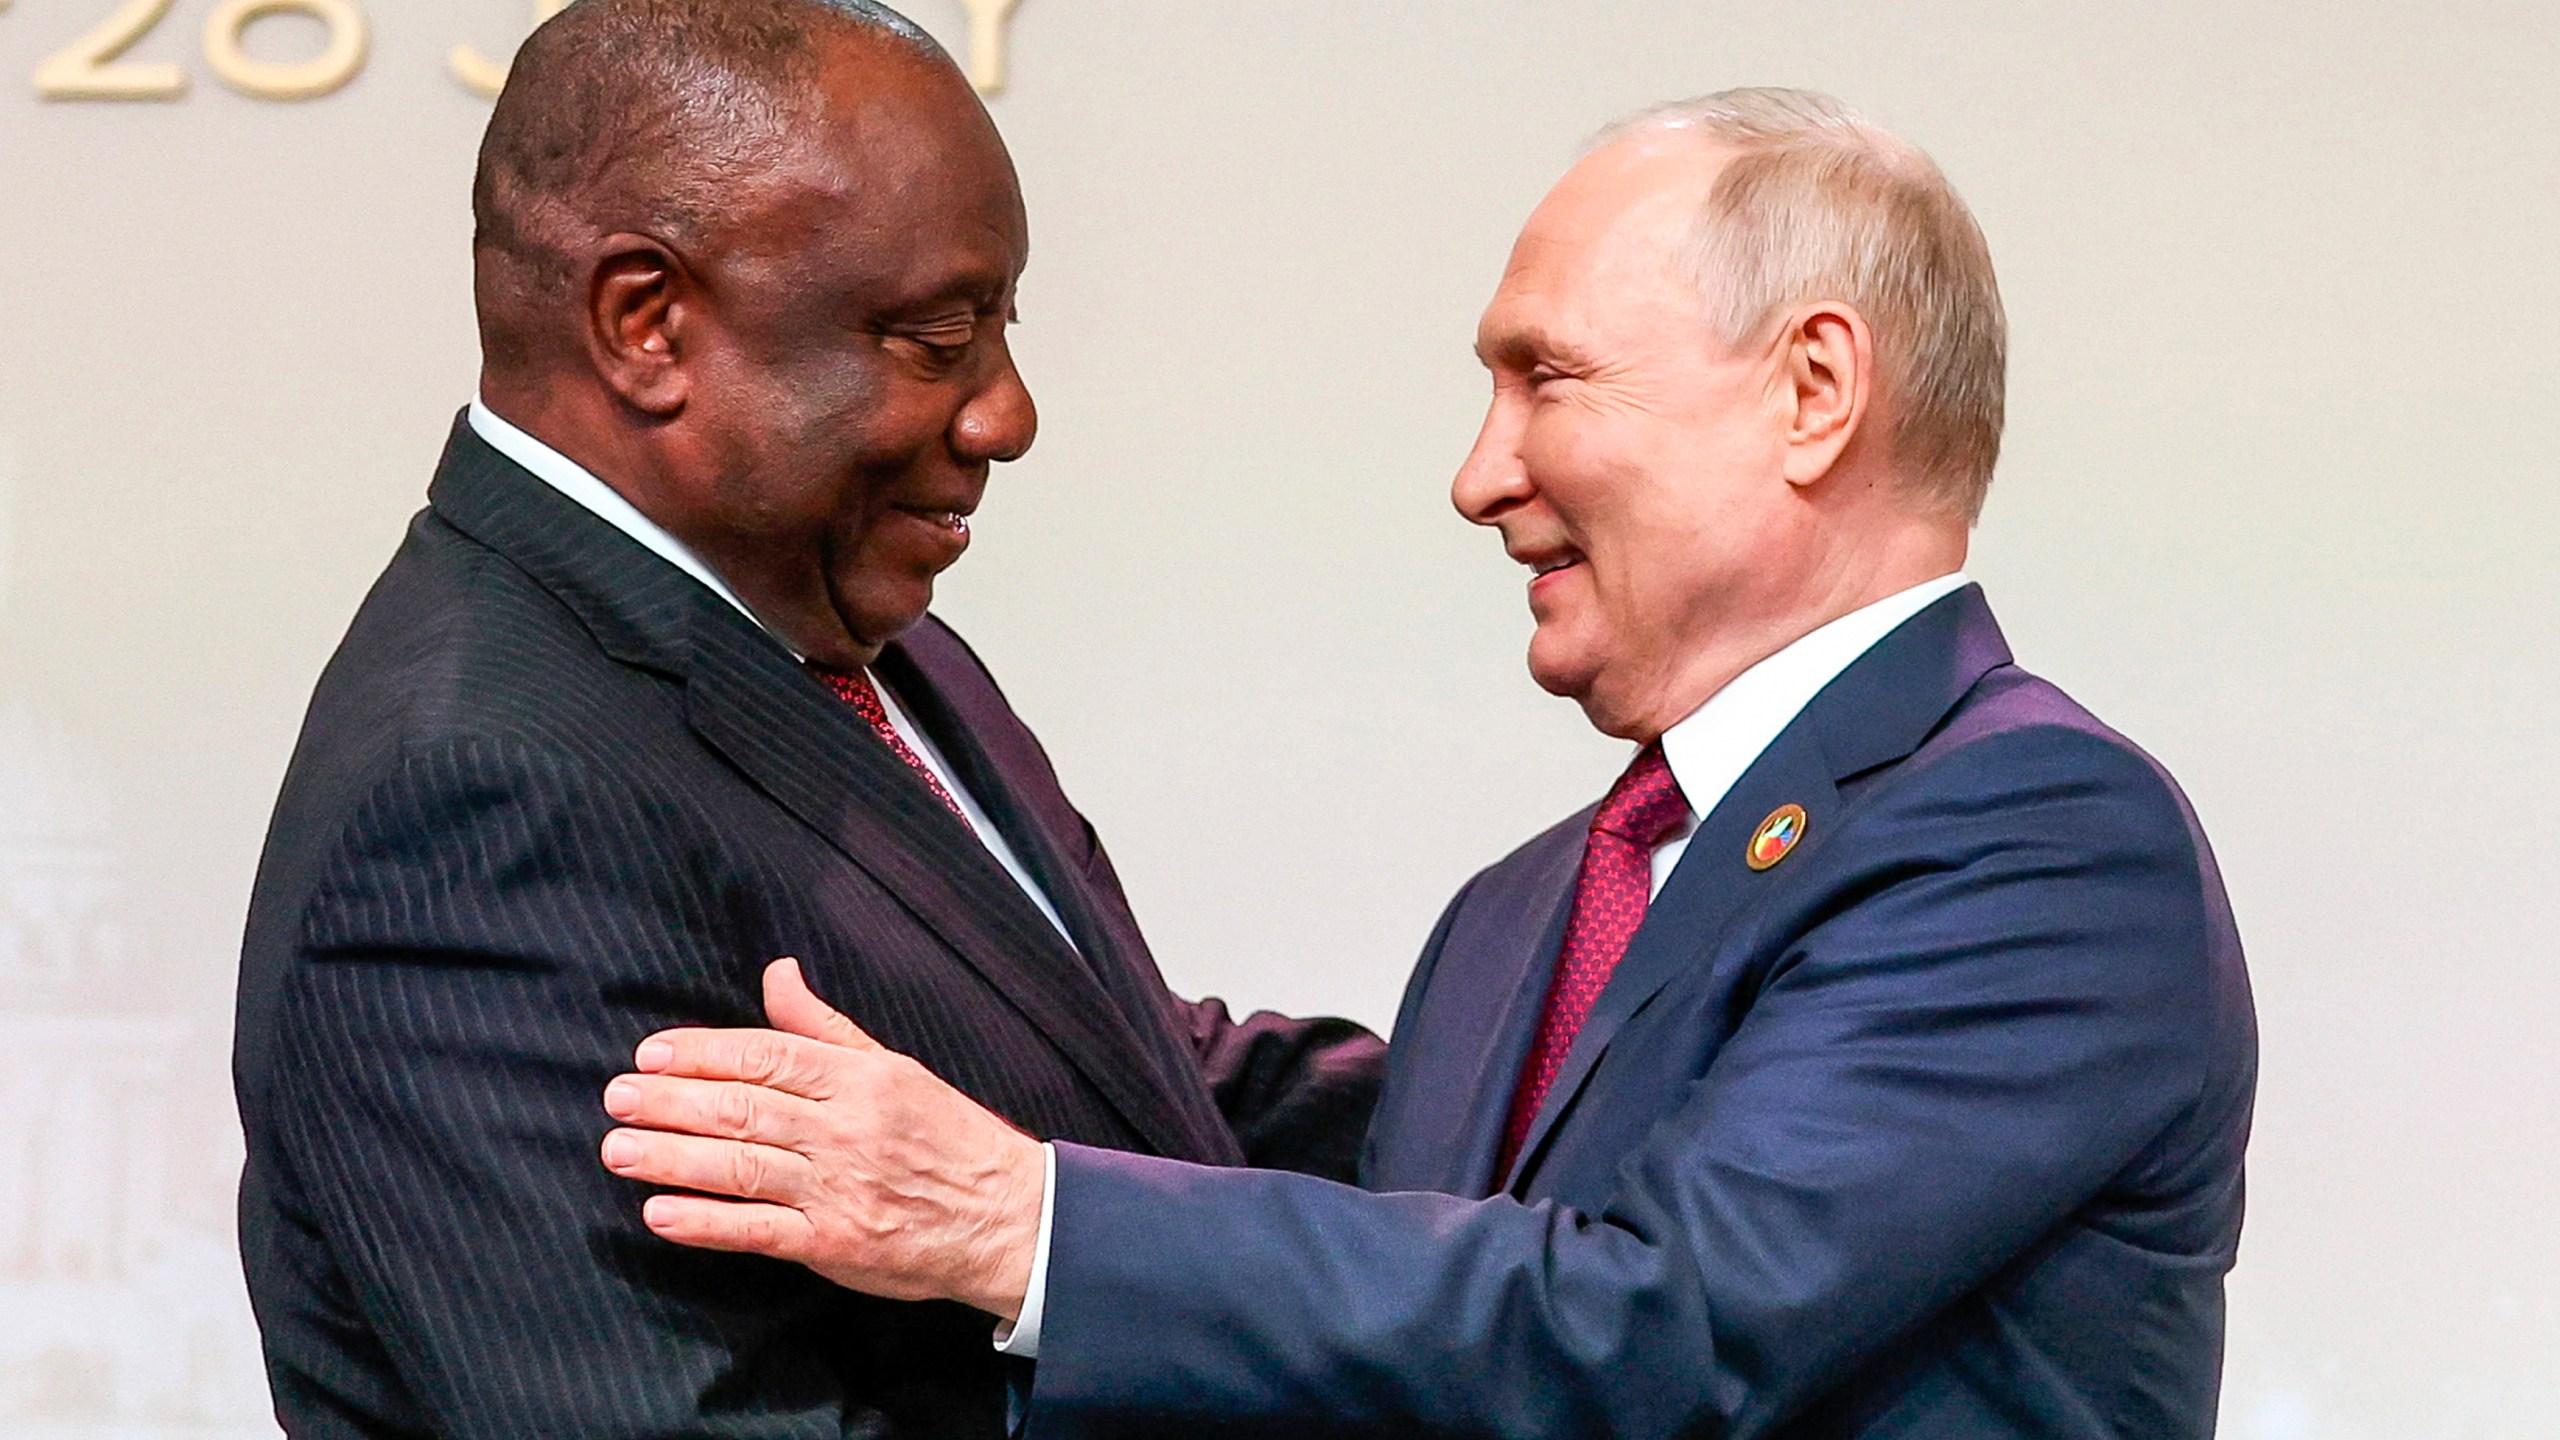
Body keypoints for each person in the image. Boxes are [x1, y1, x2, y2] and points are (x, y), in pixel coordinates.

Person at [598, 89, 2259, 1438]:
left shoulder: (2034, 831)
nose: (1481, 476)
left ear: (1813, 391)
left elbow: (1659, 1332)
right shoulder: (1527, 907)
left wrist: (1022, 1226)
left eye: (1545, 378)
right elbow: (1346, 1201)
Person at [230, 2, 1379, 1435]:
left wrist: (1606, 1096)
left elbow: (1122, 1074)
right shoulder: (480, 800)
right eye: (932, 337)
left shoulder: (857, 637)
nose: (1004, 415)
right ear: (646, 323)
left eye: (999, 329)